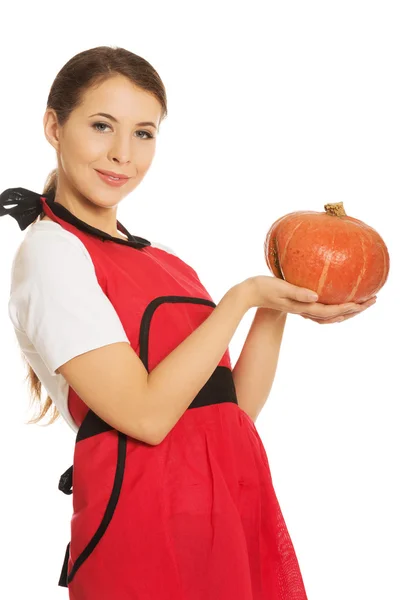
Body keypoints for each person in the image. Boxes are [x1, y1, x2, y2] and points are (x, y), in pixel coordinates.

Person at [1, 45, 374, 600]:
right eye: (102, 126)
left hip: (224, 518)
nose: (122, 154)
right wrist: (241, 297)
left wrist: (275, 307)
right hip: (142, 533)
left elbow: (232, 413)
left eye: (144, 133)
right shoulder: (53, 254)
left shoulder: (166, 263)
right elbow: (147, 417)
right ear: (54, 126)